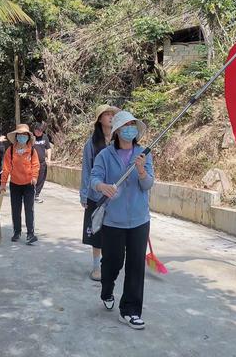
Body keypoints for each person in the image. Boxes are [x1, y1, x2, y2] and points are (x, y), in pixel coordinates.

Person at [90, 110, 154, 330]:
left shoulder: (143, 155)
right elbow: (94, 178)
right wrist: (102, 186)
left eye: (133, 125)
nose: (130, 129)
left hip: (139, 220)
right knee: (113, 262)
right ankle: (107, 289)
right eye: (126, 125)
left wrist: (142, 172)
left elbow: (148, 185)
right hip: (113, 221)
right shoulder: (105, 156)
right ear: (117, 131)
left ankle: (130, 310)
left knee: (136, 266)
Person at [80, 105, 118, 281]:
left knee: (114, 232)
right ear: (100, 119)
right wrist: (84, 194)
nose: (111, 117)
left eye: (113, 115)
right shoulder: (92, 144)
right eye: (107, 115)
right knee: (96, 231)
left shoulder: (120, 141)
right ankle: (97, 267)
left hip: (116, 196)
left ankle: (109, 265)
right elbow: (87, 170)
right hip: (96, 195)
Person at [0, 124, 40, 245]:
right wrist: (3, 183)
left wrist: (34, 177)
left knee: (29, 209)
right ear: (16, 136)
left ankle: (30, 233)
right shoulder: (10, 150)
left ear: (28, 137)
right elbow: (6, 167)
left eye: (24, 135)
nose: (22, 137)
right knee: (16, 209)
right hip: (15, 184)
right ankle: (17, 232)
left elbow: (35, 165)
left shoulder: (32, 150)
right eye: (20, 135)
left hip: (28, 184)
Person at [33, 122, 52, 203]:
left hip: (42, 163)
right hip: (32, 163)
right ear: (34, 130)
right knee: (32, 179)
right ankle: (30, 195)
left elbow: (48, 148)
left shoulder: (45, 137)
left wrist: (49, 159)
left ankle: (36, 195)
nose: (39, 133)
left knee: (41, 179)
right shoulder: (31, 137)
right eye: (37, 131)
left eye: (40, 131)